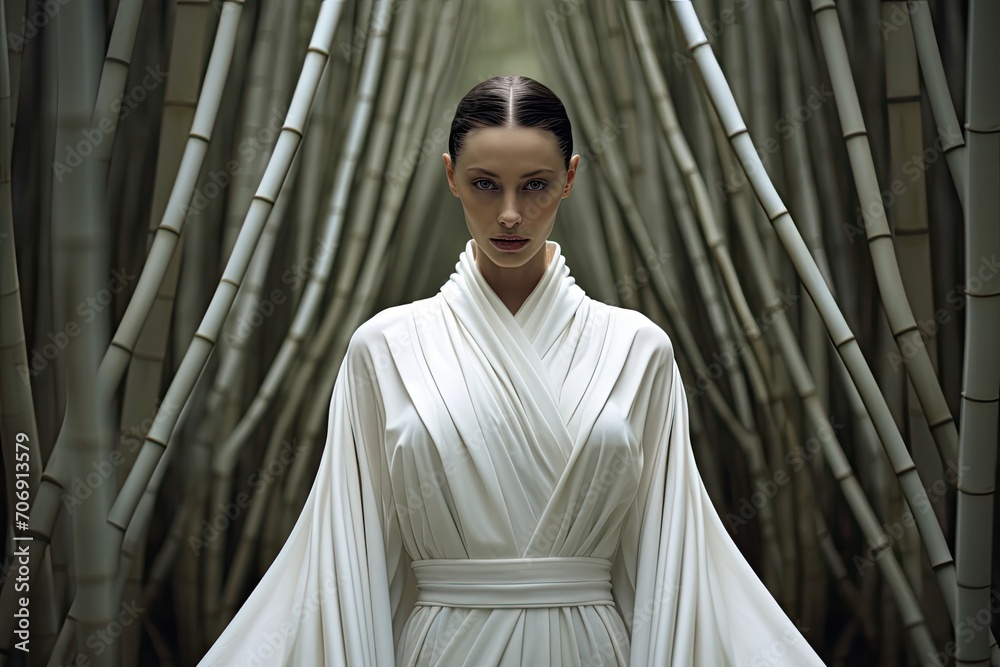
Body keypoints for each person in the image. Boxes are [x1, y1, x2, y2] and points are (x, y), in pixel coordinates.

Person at [199, 75, 826, 666]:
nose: (508, 214)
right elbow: (345, 557)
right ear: (450, 176)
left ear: (570, 178)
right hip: (446, 645)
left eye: (534, 185)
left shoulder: (638, 349)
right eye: (483, 184)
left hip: (587, 646)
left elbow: (673, 555)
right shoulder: (384, 347)